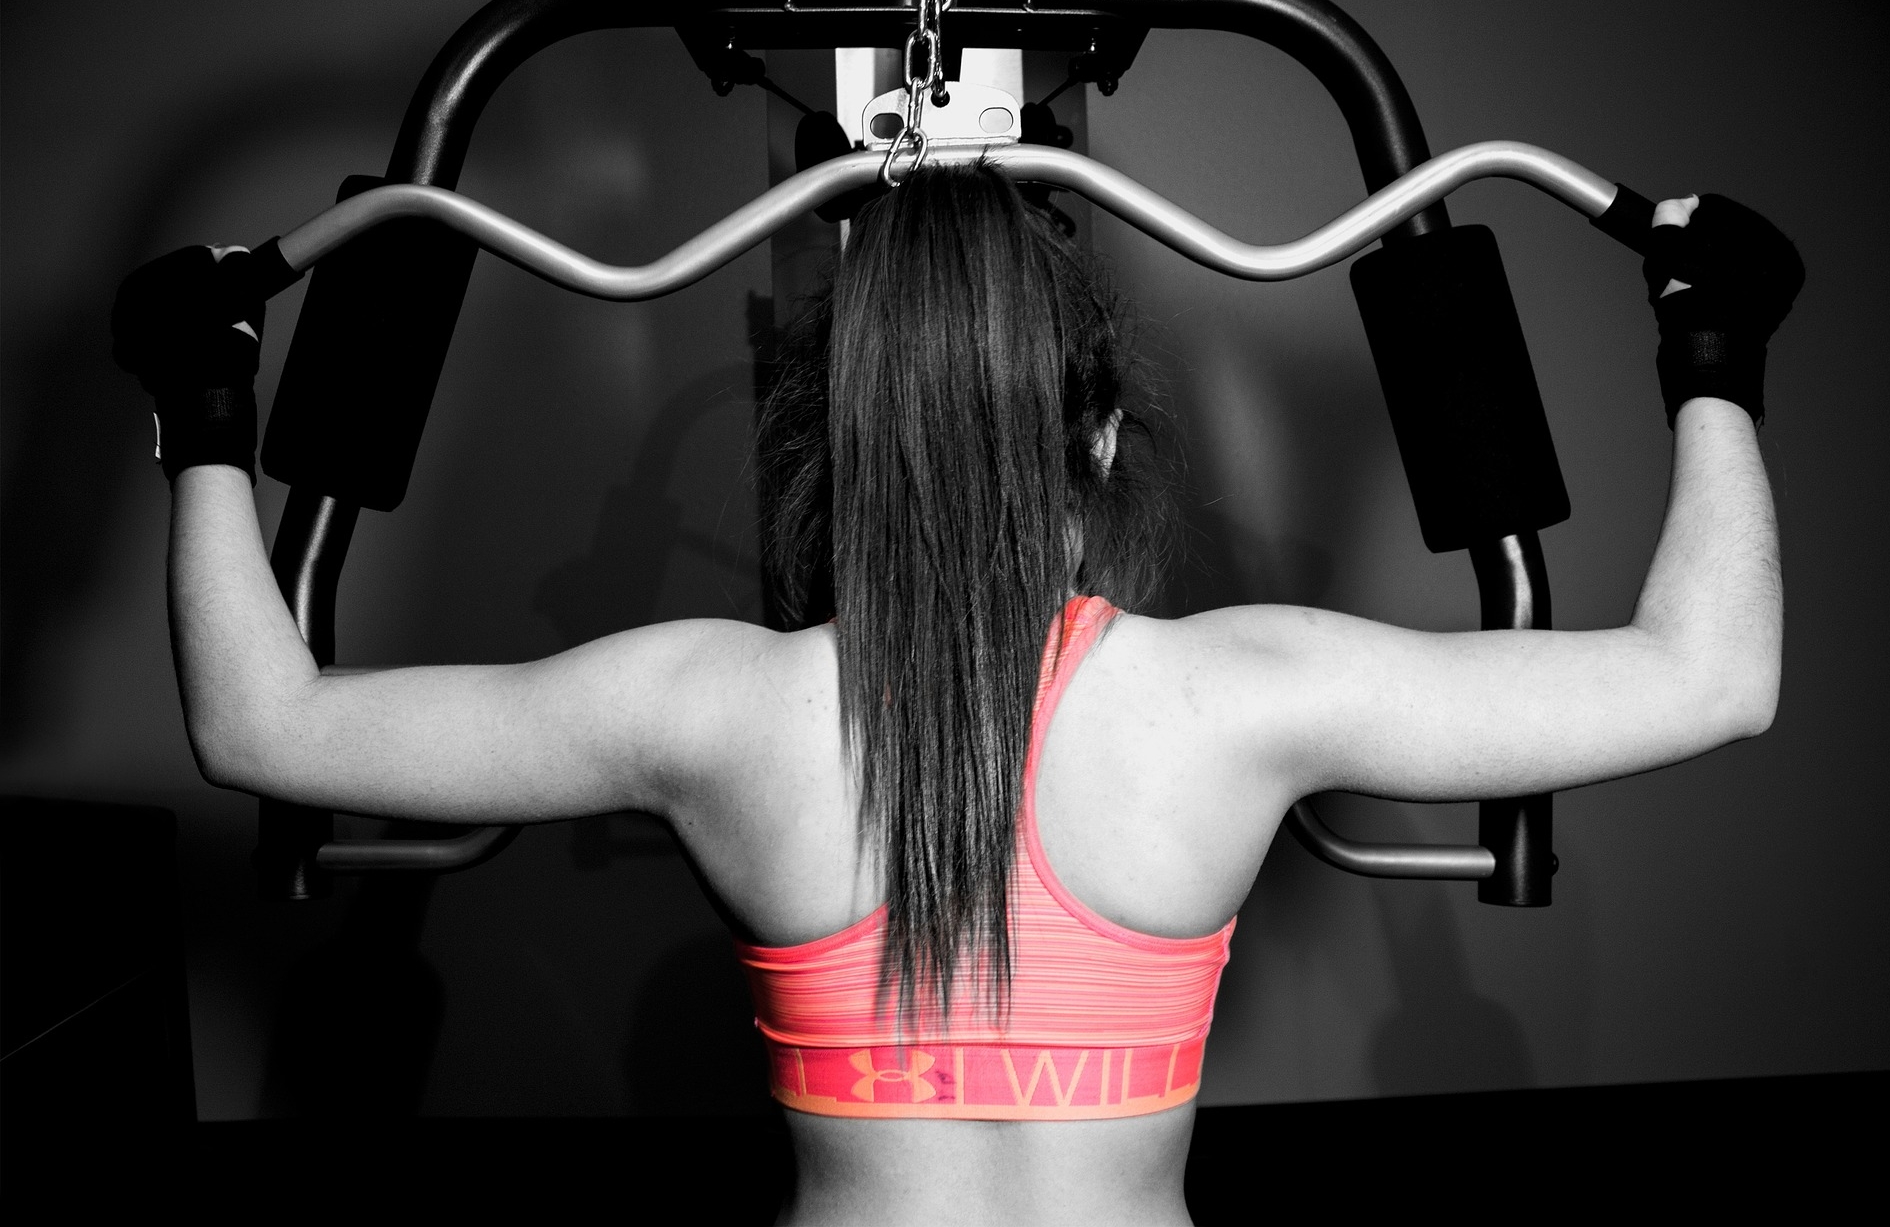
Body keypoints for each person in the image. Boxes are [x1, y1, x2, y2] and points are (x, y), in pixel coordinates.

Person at [113, 162, 1800, 1225]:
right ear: (1104, 436)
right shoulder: (1240, 694)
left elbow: (265, 725)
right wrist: (1711, 350)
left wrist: (206, 408)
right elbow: (1712, 676)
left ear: (840, 441)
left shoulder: (714, 713)